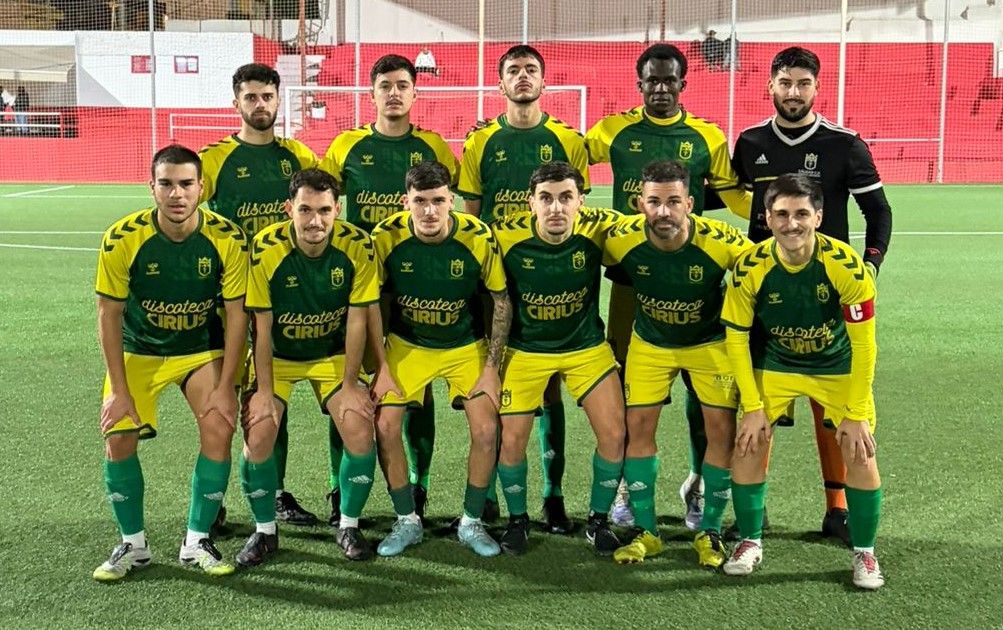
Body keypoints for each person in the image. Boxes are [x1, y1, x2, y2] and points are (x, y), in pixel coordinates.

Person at [585, 43, 751, 530]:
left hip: (692, 278)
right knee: (629, 389)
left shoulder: (706, 136)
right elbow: (563, 155)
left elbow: (737, 199)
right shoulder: (611, 130)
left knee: (706, 397)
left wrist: (782, 210)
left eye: (669, 80)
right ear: (639, 84)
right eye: (652, 80)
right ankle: (625, 487)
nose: (660, 88)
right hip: (631, 278)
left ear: (683, 84)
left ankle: (698, 483)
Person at [731, 46, 892, 545]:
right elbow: (730, 194)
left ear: (817, 88)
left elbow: (879, 212)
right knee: (758, 404)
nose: (794, 92)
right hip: (767, 293)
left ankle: (837, 509)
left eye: (803, 83)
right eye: (785, 83)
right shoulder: (750, 141)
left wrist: (869, 265)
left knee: (832, 407)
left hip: (828, 295)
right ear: (770, 87)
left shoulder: (844, 144)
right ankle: (753, 515)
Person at [720, 173, 885, 590]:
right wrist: (753, 408)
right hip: (777, 363)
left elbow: (865, 346)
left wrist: (855, 413)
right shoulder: (749, 267)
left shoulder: (846, 265)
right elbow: (736, 340)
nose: (791, 223)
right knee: (748, 441)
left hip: (836, 365)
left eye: (801, 214)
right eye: (781, 214)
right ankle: (750, 540)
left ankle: (864, 551)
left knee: (859, 449)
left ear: (819, 217)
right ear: (767, 217)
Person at [92, 145, 248, 581]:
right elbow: (108, 314)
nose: (176, 194)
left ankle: (197, 540)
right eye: (166, 184)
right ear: (152, 188)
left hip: (200, 350)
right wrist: (119, 391)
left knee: (219, 426)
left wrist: (227, 385)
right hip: (139, 349)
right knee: (119, 436)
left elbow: (238, 315)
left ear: (201, 187)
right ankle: (133, 544)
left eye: (185, 184)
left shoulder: (228, 238)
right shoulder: (122, 238)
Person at [320, 54, 459, 524]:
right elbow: (323, 202)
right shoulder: (346, 146)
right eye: (385, 85)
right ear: (372, 93)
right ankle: (340, 488)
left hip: (418, 286)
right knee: (349, 390)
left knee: (418, 391)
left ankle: (419, 485)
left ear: (415, 92)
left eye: (402, 85)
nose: (394, 93)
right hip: (357, 289)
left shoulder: (434, 146)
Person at [459, 45, 591, 533]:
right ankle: (491, 493)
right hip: (497, 284)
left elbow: (574, 213)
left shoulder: (568, 140)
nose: (522, 77)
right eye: (513, 70)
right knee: (491, 387)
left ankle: (553, 496)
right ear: (500, 84)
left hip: (548, 281)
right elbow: (473, 217)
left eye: (530, 70)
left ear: (543, 82)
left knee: (550, 389)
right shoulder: (480, 142)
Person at [603, 160, 751, 567]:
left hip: (709, 344)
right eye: (654, 202)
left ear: (690, 203)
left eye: (673, 202)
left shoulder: (723, 241)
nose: (663, 212)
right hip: (650, 344)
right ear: (640, 204)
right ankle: (646, 531)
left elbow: (764, 272)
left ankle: (710, 531)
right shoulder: (621, 239)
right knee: (638, 429)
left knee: (721, 432)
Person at [369, 161, 511, 557]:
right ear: (406, 202)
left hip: (465, 345)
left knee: (486, 429)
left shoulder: (477, 236)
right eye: (420, 202)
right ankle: (407, 520)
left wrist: (491, 368)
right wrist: (380, 366)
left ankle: (471, 521)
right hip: (407, 344)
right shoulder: (385, 237)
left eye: (437, 201)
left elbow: (501, 301)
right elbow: (368, 303)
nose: (429, 211)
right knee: (385, 425)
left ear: (452, 201)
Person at [200, 63, 321, 529]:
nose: (260, 105)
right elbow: (187, 212)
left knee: (272, 401)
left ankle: (275, 493)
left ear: (278, 100)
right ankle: (214, 498)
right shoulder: (215, 160)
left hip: (283, 302)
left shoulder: (298, 156)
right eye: (250, 97)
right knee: (221, 402)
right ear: (236, 103)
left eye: (267, 96)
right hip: (228, 303)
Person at [244, 168, 380, 561]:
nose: (315, 221)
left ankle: (348, 525)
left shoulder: (359, 245)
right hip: (278, 357)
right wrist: (264, 392)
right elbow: (261, 327)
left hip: (331, 355)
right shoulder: (265, 248)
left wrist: (351, 384)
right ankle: (264, 531)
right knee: (259, 432)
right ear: (289, 209)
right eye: (305, 210)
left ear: (338, 209)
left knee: (359, 428)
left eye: (324, 210)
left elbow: (358, 319)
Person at [491, 162, 625, 556]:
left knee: (614, 433)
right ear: (530, 202)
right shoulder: (503, 236)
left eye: (566, 197)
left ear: (581, 201)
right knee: (511, 439)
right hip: (526, 350)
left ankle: (598, 521)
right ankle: (517, 520)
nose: (556, 208)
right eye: (546, 198)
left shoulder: (600, 229)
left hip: (586, 348)